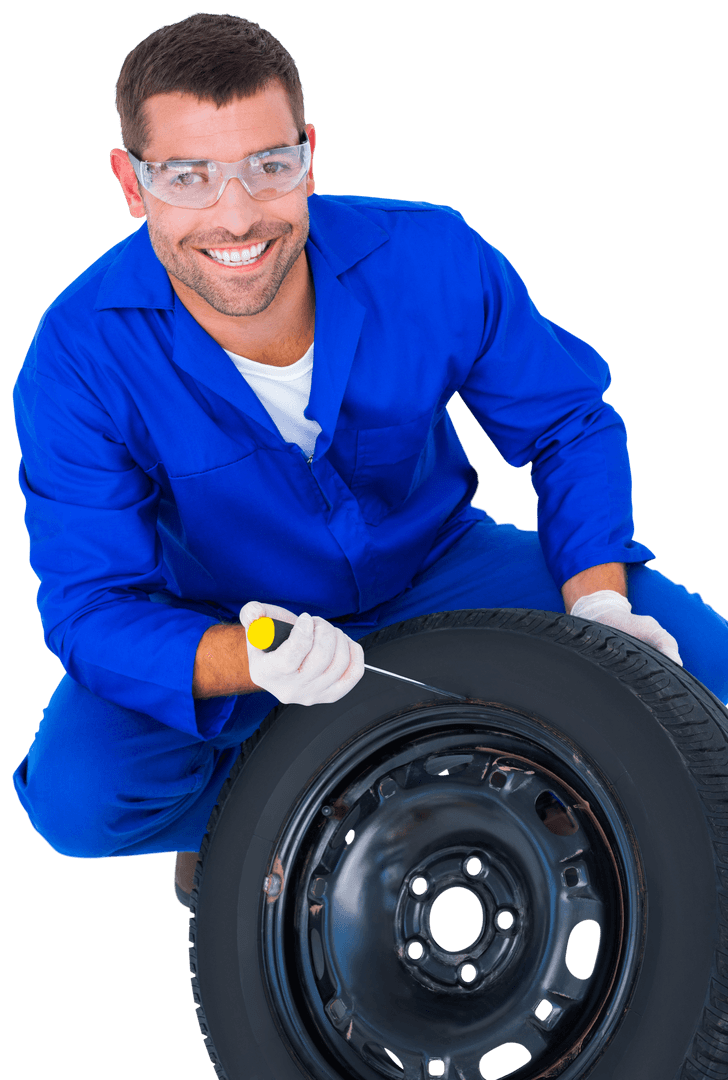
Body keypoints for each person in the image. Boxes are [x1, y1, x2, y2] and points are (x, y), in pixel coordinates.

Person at [12, 13, 727, 907]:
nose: (235, 214)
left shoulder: (429, 258)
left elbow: (567, 424)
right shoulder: (78, 356)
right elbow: (90, 609)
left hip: (440, 567)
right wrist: (250, 660)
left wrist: (600, 604)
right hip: (241, 619)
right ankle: (271, 815)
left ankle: (478, 784)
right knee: (82, 800)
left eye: (267, 166)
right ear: (132, 182)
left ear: (307, 156)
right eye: (188, 177)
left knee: (705, 679)